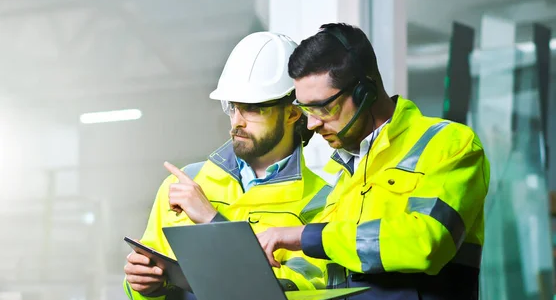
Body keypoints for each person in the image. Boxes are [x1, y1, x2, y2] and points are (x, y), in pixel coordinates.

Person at [257, 23, 490, 300]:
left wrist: (306, 235)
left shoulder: (449, 144)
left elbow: (427, 242)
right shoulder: (347, 176)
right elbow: (326, 268)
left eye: (323, 108)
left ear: (364, 92)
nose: (312, 124)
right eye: (305, 109)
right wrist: (276, 285)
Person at [123, 32, 333, 300]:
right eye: (232, 107)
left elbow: (297, 292)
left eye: (253, 109)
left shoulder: (322, 203)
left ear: (293, 113)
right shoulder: (183, 184)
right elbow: (146, 280)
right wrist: (143, 286)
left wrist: (212, 222)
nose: (237, 122)